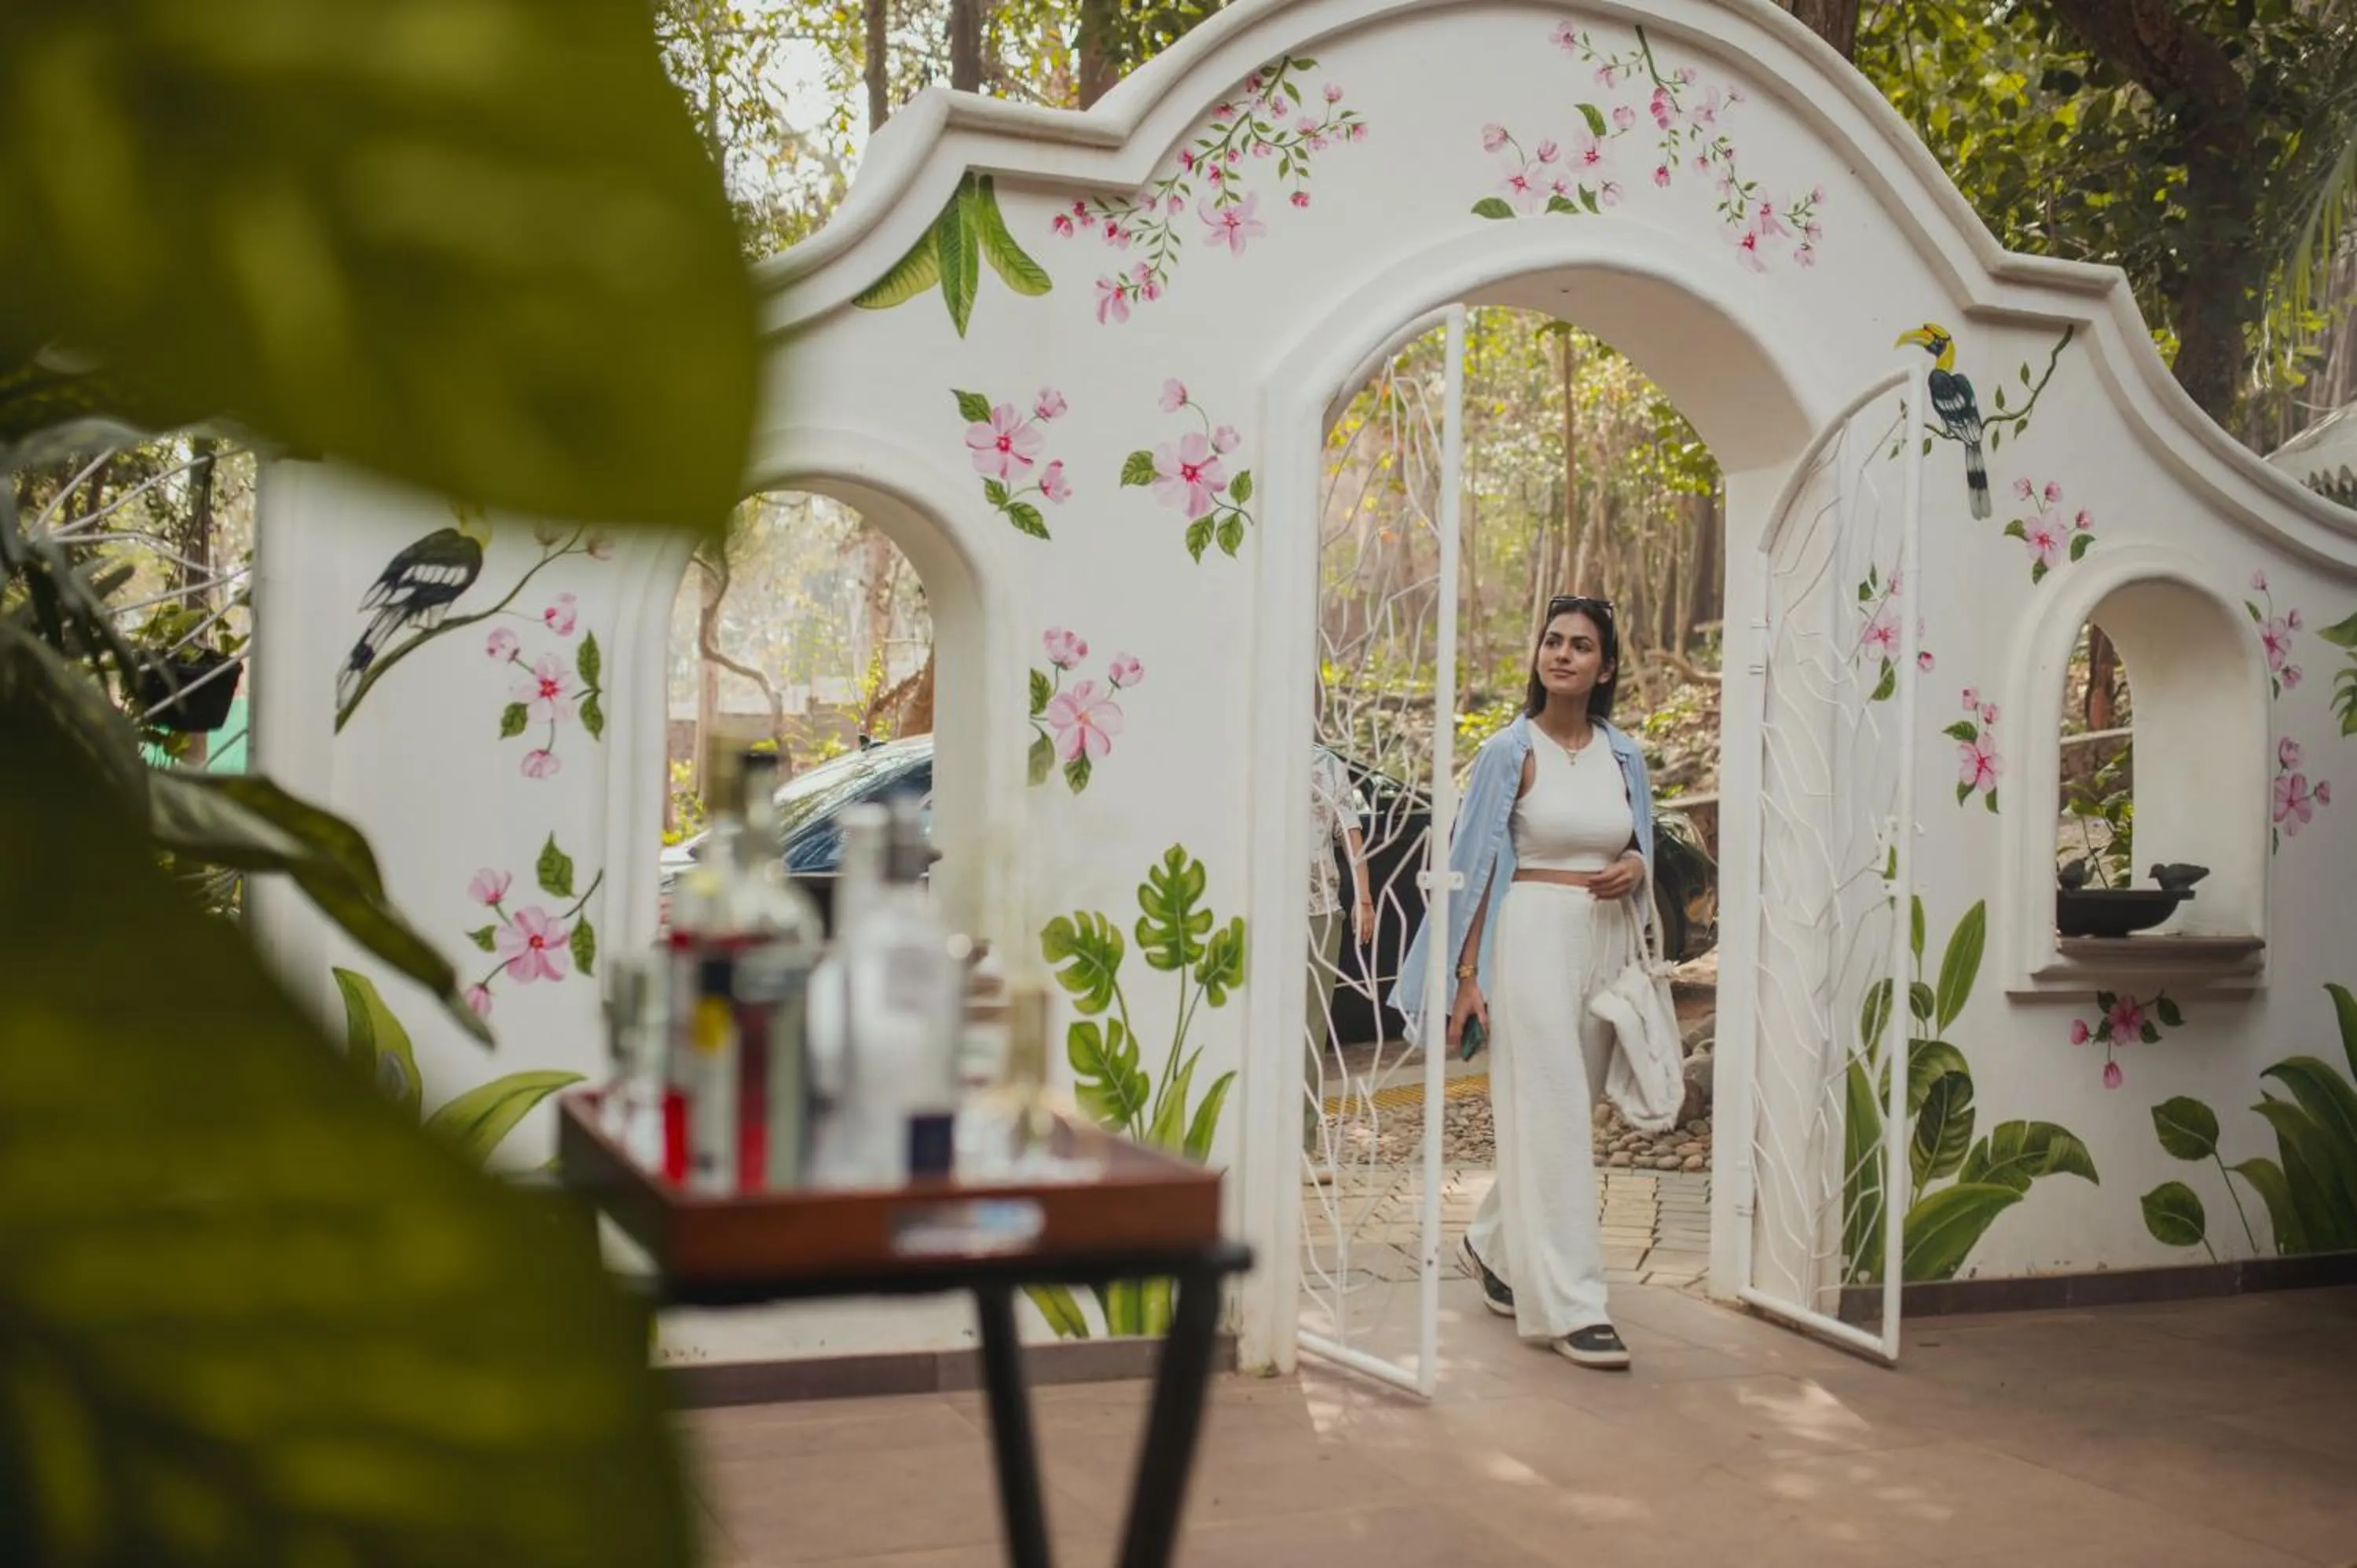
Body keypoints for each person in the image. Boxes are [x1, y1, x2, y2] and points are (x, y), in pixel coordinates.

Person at [1391, 595, 1656, 1370]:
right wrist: (1466, 976)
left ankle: (1492, 1241)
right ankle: (1574, 1306)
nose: (1562, 654)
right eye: (1553, 641)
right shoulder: (1509, 751)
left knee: (1567, 1115)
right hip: (1529, 937)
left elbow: (1639, 839)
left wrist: (1637, 865)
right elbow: (1474, 866)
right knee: (1554, 1116)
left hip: (1605, 944)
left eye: (1581, 645)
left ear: (1605, 667)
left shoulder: (1624, 755)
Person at [1307, 740, 1375, 1163]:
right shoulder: (1251, 751)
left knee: (1309, 1031)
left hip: (1318, 912)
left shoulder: (1326, 763)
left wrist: (1363, 899)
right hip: (1258, 910)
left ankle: (1301, 1144)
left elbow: (1351, 834)